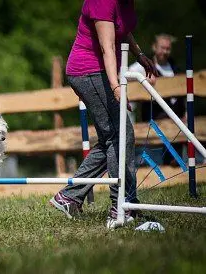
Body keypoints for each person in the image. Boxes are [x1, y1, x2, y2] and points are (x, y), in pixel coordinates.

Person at [49, 0, 158, 229]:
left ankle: (70, 197)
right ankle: (121, 203)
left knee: (112, 138)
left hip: (100, 71)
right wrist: (117, 87)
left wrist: (140, 55)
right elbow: (107, 47)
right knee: (121, 136)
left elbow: (123, 31)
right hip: (87, 71)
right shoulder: (102, 1)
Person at [129, 34, 185, 165]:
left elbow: (182, 94)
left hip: (177, 116)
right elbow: (123, 76)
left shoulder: (175, 67)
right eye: (162, 48)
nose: (165, 52)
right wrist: (142, 79)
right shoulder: (144, 66)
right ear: (154, 47)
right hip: (154, 117)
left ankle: (176, 165)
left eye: (168, 49)